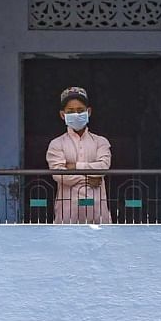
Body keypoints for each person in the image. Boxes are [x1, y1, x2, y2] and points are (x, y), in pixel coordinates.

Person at [46, 86, 112, 224]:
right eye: (71, 111)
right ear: (62, 115)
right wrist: (90, 177)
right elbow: (59, 175)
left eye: (80, 110)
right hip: (68, 214)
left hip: (98, 214)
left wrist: (74, 166)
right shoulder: (56, 144)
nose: (76, 114)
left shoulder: (101, 142)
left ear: (89, 112)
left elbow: (104, 167)